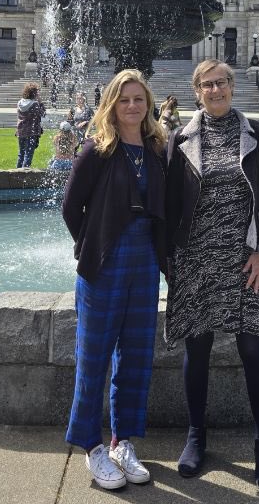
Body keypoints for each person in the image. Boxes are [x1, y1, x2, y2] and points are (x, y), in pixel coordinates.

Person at [165, 58, 259, 492]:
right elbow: (171, 203)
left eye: (221, 83)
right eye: (206, 85)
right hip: (196, 260)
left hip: (245, 261)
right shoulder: (180, 138)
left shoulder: (258, 135)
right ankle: (196, 436)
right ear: (196, 92)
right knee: (198, 349)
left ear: (233, 87)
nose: (215, 91)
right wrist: (170, 261)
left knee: (253, 350)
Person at [61, 69, 167, 491]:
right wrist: (91, 245)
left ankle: (123, 440)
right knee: (94, 356)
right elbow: (71, 206)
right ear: (111, 104)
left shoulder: (158, 147)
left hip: (144, 260)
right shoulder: (98, 148)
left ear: (148, 104)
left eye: (139, 99)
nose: (132, 106)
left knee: (137, 354)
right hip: (105, 260)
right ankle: (91, 445)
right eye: (124, 100)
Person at [16, 83, 46, 168]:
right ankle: (24, 174)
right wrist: (40, 102)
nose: (38, 94)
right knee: (28, 154)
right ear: (34, 93)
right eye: (37, 92)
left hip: (21, 131)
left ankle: (17, 172)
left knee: (21, 153)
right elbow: (43, 114)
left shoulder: (19, 103)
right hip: (31, 132)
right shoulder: (35, 104)